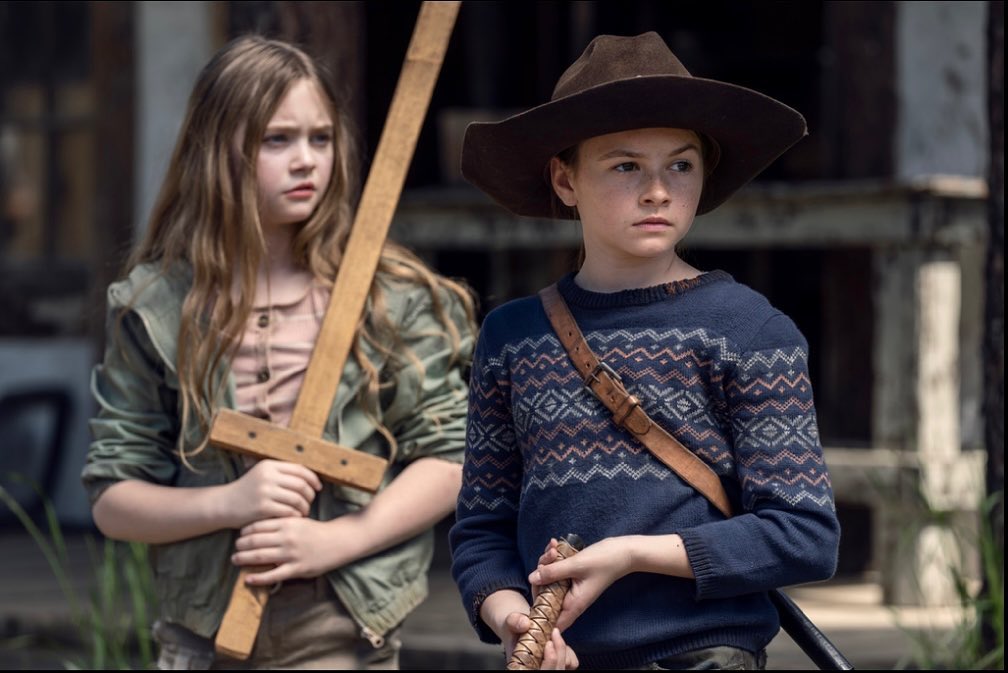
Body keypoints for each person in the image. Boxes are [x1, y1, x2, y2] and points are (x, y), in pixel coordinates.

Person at [82, 34, 477, 670]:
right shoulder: (156, 306)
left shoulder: (389, 297)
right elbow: (112, 499)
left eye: (320, 138)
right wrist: (230, 502)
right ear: (217, 150)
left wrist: (336, 540)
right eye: (277, 140)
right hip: (199, 632)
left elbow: (452, 458)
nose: (306, 162)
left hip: (338, 627)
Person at [449, 31, 841, 670]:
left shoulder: (750, 330)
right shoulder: (512, 337)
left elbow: (804, 535)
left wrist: (631, 554)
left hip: (703, 656)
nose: (658, 190)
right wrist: (512, 617)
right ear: (565, 179)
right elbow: (481, 528)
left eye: (680, 166)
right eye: (625, 166)